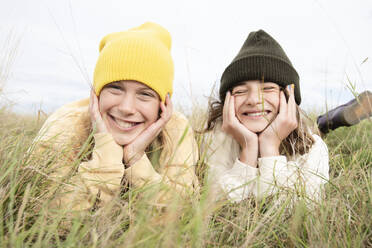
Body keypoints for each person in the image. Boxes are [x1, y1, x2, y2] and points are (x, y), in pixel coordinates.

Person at [31, 22, 199, 211]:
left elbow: (177, 216)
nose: (127, 108)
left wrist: (136, 159)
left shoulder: (176, 129)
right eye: (116, 88)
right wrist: (107, 150)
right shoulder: (65, 124)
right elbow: (52, 217)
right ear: (96, 93)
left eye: (145, 94)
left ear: (163, 105)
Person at [203, 30, 329, 203]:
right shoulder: (218, 140)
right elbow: (218, 209)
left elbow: (292, 214)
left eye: (268, 88)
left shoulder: (314, 149)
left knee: (319, 129)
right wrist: (248, 149)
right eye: (240, 91)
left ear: (288, 96)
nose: (254, 100)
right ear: (227, 101)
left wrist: (270, 146)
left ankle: (328, 122)